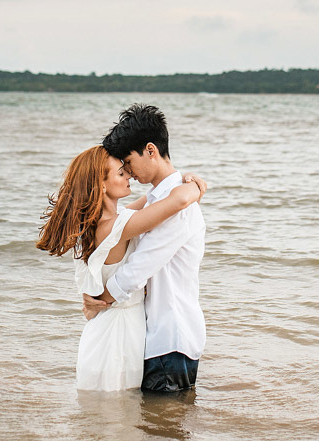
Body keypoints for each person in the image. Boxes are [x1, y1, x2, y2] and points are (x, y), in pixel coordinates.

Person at [36, 145, 207, 391]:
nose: (128, 175)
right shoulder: (116, 227)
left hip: (111, 330)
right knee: (115, 419)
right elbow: (177, 200)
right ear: (102, 185)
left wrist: (184, 177)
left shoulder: (109, 221)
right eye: (120, 173)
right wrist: (196, 186)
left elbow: (154, 197)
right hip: (115, 337)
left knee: (112, 419)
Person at [85, 104, 206, 393]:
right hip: (158, 338)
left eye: (128, 161)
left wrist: (99, 300)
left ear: (150, 150)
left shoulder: (178, 206)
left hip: (170, 339)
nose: (127, 171)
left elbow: (139, 268)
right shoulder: (159, 200)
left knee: (164, 431)